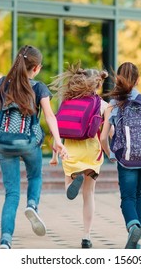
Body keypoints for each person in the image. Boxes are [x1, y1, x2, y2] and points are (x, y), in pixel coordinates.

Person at [0, 45, 67, 249]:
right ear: (36, 68)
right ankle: (32, 205)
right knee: (35, 176)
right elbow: (49, 116)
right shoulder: (39, 88)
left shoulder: (3, 83)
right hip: (28, 142)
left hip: (5, 143)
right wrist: (58, 140)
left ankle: (6, 240)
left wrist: (2, 113)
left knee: (11, 193)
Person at [100, 62, 141, 249]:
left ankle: (133, 227)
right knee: (138, 195)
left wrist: (111, 154)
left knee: (127, 198)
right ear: (138, 80)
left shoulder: (113, 104)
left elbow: (104, 136)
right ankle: (136, 240)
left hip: (126, 158)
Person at [49, 63, 108, 249]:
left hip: (70, 149)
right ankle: (86, 236)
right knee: (89, 194)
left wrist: (54, 155)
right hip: (91, 150)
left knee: (69, 179)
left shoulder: (67, 102)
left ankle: (69, 187)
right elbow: (109, 132)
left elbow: (57, 128)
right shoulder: (103, 105)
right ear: (97, 84)